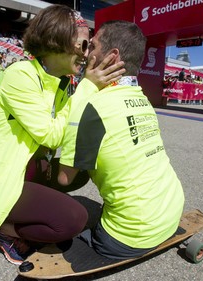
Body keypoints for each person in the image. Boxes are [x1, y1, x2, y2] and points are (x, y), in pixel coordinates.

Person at [0, 4, 125, 266]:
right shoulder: (21, 75)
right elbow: (52, 136)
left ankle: (32, 207)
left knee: (77, 172)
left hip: (28, 167)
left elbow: (67, 132)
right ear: (59, 40)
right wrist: (87, 88)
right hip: (6, 177)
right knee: (74, 219)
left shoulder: (60, 81)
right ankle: (5, 231)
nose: (87, 55)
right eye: (84, 45)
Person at [57, 20, 185, 260]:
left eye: (92, 46)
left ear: (112, 56)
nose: (86, 53)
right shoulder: (143, 99)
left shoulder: (90, 106)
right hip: (172, 211)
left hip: (128, 236)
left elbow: (65, 179)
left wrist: (86, 85)